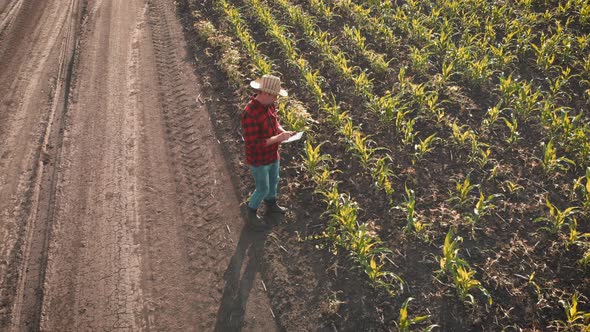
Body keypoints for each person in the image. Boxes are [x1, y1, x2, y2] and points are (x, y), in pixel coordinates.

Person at [241, 74, 294, 231]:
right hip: (258, 160)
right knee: (262, 188)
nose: (277, 99)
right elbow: (253, 144)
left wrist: (283, 133)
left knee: (274, 180)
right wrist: (278, 138)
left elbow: (274, 122)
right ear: (266, 93)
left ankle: (272, 205)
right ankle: (251, 213)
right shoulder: (249, 113)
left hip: (272, 155)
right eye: (275, 95)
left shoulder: (269, 105)